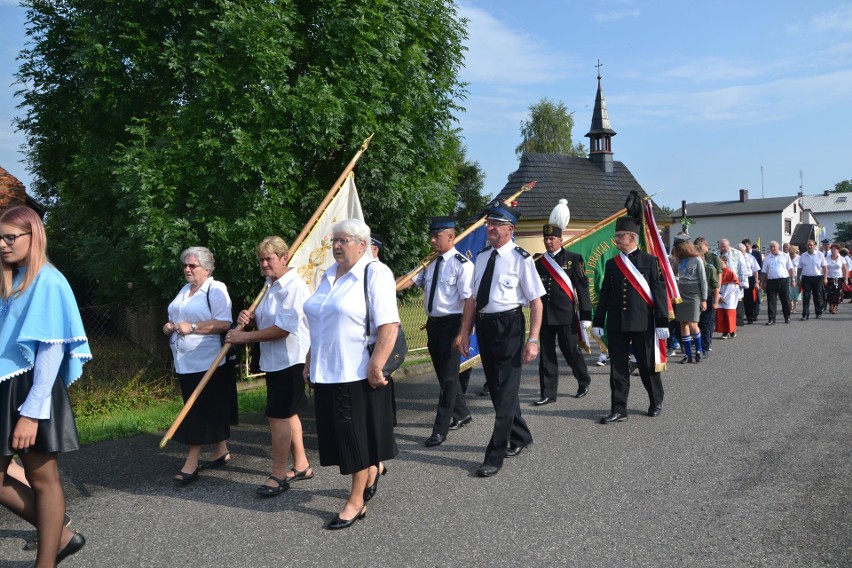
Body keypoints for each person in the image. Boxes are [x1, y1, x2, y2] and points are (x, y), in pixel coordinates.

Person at [0, 206, 90, 566]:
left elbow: (50, 350)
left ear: (33, 236)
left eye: (10, 237)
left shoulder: (49, 281)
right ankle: (63, 538)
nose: (3, 245)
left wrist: (32, 412)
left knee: (42, 477)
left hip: (32, 388)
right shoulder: (10, 279)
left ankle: (47, 561)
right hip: (5, 387)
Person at [302, 219, 399, 529]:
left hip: (355, 372)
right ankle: (372, 468)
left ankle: (355, 502)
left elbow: (389, 324)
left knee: (354, 439)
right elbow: (319, 322)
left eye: (343, 241)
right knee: (341, 436)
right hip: (326, 371)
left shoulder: (374, 272)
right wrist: (309, 360)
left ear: (362, 244)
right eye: (335, 241)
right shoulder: (328, 275)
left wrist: (376, 365)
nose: (337, 246)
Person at [455, 203, 544, 477]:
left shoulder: (521, 259)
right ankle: (521, 435)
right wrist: (464, 332)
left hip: (510, 327)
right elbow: (472, 299)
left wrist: (533, 339)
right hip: (484, 325)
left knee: (505, 391)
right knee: (496, 388)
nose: (489, 228)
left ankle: (494, 454)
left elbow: (536, 302)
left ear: (509, 229)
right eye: (488, 224)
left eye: (495, 224)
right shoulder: (481, 257)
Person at [226, 236, 312, 497]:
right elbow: (265, 322)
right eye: (261, 259)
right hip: (274, 361)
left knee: (277, 416)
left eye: (269, 259)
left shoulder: (294, 287)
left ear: (284, 258)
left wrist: (245, 337)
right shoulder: (269, 286)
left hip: (292, 359)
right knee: (288, 414)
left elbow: (283, 329)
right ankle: (301, 465)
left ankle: (277, 474)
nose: (264, 264)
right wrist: (248, 320)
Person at [397, 216, 474, 446]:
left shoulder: (462, 265)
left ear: (450, 236)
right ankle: (462, 413)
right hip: (434, 325)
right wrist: (383, 286)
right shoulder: (429, 263)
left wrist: (463, 333)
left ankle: (440, 429)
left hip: (453, 324)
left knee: (449, 379)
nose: (432, 240)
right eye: (431, 236)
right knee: (443, 375)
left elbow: (469, 301)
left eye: (436, 236)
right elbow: (408, 281)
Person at [163, 246, 237, 485]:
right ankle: (220, 450)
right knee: (204, 407)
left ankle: (192, 461)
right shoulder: (185, 290)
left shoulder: (215, 289)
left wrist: (193, 327)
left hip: (208, 360)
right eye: (185, 265)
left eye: (192, 265)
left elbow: (225, 323)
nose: (187, 269)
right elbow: (177, 316)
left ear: (206, 269)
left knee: (196, 410)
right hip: (184, 360)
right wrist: (170, 325)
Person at [592, 217, 669, 423]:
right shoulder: (611, 263)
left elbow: (659, 293)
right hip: (617, 323)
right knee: (617, 368)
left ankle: (655, 401)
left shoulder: (650, 262)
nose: (616, 239)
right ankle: (619, 409)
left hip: (642, 324)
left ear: (632, 237)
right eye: (616, 235)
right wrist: (598, 321)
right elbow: (605, 295)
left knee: (646, 366)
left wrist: (662, 322)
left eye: (619, 236)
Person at [534, 222, 592, 404]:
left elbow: (582, 288)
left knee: (570, 351)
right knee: (546, 355)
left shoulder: (574, 259)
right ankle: (548, 393)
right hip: (544, 315)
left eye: (552, 239)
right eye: (546, 239)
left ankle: (583, 380)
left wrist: (586, 315)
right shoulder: (538, 261)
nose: (548, 242)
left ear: (561, 240)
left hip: (566, 315)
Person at [671, 233, 707, 364]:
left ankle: (698, 350)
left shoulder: (697, 260)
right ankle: (687, 354)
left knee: (692, 324)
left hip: (694, 295)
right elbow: (672, 274)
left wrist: (704, 300)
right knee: (683, 324)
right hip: (682, 294)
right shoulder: (678, 261)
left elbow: (703, 281)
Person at [694, 237, 720, 357]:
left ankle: (705, 347)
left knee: (705, 323)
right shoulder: (694, 269)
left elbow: (716, 286)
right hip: (696, 298)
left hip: (708, 297)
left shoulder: (710, 268)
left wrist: (715, 301)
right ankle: (700, 346)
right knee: (698, 323)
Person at [759, 241, 795, 325]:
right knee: (771, 301)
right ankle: (771, 319)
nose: (772, 248)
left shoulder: (785, 256)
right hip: (771, 281)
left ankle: (787, 317)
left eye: (774, 247)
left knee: (785, 300)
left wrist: (793, 279)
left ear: (778, 247)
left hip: (783, 280)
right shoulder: (767, 258)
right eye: (771, 247)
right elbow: (764, 272)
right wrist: (763, 283)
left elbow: (790, 268)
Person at [718, 239, 750, 327]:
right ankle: (725, 325)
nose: (723, 248)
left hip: (734, 283)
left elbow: (742, 268)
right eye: (721, 247)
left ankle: (735, 323)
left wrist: (743, 283)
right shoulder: (716, 254)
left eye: (724, 246)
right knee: (722, 305)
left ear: (729, 245)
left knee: (733, 304)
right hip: (721, 284)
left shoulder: (737, 253)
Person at [797, 239, 827, 320]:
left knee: (817, 296)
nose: (809, 246)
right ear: (806, 246)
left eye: (811, 245)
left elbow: (824, 267)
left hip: (817, 278)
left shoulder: (820, 254)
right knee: (806, 296)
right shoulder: (803, 255)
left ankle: (818, 313)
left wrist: (825, 278)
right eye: (808, 245)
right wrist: (798, 279)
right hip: (806, 278)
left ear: (814, 245)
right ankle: (805, 315)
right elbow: (799, 268)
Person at [715, 255, 739, 338]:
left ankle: (732, 330)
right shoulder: (716, 272)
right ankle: (724, 331)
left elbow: (732, 287)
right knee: (721, 313)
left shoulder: (730, 273)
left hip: (729, 296)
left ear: (725, 262)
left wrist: (724, 296)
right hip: (719, 295)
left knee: (729, 313)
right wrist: (719, 296)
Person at [824, 244, 848, 314]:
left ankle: (834, 307)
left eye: (835, 249)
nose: (833, 250)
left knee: (837, 293)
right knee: (829, 293)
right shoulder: (827, 258)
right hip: (829, 278)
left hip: (838, 278)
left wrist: (846, 279)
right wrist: (825, 278)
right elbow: (825, 268)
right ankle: (830, 305)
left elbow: (845, 269)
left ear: (838, 250)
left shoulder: (841, 258)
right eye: (832, 249)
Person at [740, 243, 760, 323]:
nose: (741, 253)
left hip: (749, 279)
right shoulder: (735, 258)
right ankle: (739, 318)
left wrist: (756, 282)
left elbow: (755, 270)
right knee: (740, 300)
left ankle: (750, 317)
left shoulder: (751, 258)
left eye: (742, 251)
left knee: (749, 300)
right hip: (739, 279)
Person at [787, 245, 801, 313]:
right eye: (790, 253)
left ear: (796, 252)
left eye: (792, 253)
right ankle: (790, 306)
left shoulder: (799, 258)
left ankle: (794, 308)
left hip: (797, 276)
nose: (791, 255)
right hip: (788, 276)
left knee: (796, 293)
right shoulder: (787, 257)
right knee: (789, 292)